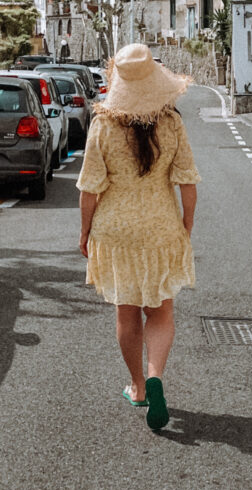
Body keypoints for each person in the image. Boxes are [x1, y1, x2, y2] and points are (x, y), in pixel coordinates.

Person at [77, 44, 200, 432]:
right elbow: (187, 182)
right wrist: (186, 224)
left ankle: (136, 387)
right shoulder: (172, 123)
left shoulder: (103, 126)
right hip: (160, 227)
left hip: (115, 231)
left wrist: (85, 232)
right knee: (161, 311)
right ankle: (155, 376)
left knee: (126, 312)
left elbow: (89, 189)